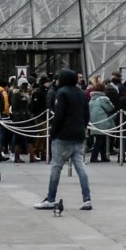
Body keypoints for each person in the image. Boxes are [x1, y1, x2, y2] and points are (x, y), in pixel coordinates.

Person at [36, 70, 93, 212]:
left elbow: (59, 115)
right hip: (79, 134)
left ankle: (51, 198)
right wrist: (83, 128)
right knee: (81, 167)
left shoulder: (62, 93)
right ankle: (87, 199)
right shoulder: (81, 93)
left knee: (56, 167)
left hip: (63, 136)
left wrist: (53, 133)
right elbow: (87, 114)